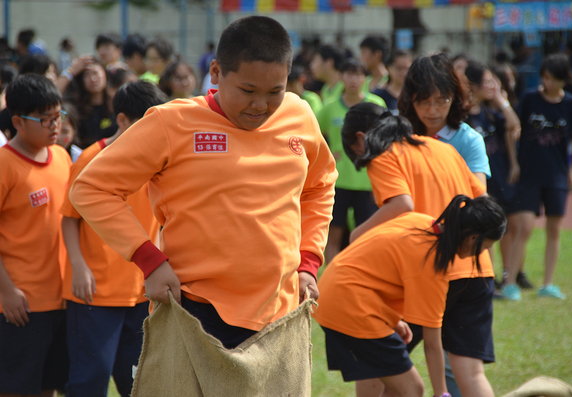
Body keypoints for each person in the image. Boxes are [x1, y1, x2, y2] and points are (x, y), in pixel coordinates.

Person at [69, 16, 337, 353]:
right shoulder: (171, 123)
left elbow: (321, 185)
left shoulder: (299, 115)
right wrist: (149, 260)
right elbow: (91, 187)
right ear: (215, 73)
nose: (260, 105)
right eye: (248, 91)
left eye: (275, 92)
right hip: (195, 309)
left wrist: (309, 262)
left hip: (281, 310)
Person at [343, 104, 497, 397]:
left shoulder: (384, 155)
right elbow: (483, 202)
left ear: (361, 138)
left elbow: (402, 204)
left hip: (422, 270)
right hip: (475, 268)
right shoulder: (445, 149)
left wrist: (357, 236)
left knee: (379, 360)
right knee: (472, 374)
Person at [314, 194, 506, 397]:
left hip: (333, 291)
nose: (481, 254)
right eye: (485, 247)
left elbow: (375, 269)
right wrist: (442, 393)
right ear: (472, 238)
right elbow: (432, 345)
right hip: (349, 305)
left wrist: (392, 320)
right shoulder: (433, 263)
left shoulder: (421, 222)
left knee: (398, 388)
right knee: (412, 389)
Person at [61, 81, 166, 397]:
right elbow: (69, 219)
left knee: (138, 379)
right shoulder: (91, 158)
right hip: (96, 291)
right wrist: (78, 267)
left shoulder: (158, 161)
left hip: (140, 290)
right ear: (122, 120)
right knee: (90, 378)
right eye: (145, 123)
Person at [0, 74, 71, 396]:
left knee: (51, 384)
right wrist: (7, 292)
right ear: (18, 121)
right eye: (45, 119)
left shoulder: (61, 157)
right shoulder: (5, 165)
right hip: (21, 302)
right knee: (17, 386)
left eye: (58, 116)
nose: (55, 125)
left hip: (62, 296)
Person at [502, 53, 572, 301]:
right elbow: (512, 129)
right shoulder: (530, 99)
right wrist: (514, 163)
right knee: (525, 227)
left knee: (554, 229)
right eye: (545, 78)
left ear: (564, 79)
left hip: (557, 175)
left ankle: (547, 284)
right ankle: (510, 283)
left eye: (554, 79)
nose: (548, 83)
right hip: (529, 174)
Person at [463, 61, 530, 290]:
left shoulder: (491, 114)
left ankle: (507, 277)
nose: (491, 86)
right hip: (480, 182)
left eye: (494, 81)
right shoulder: (462, 117)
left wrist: (502, 102)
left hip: (500, 176)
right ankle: (487, 280)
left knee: (510, 227)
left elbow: (513, 124)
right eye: (487, 82)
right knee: (484, 231)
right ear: (472, 85)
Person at [317, 58, 386, 263]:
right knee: (335, 234)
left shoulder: (376, 105)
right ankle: (331, 280)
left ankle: (361, 278)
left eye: (359, 75)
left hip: (367, 180)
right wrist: (327, 152)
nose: (354, 80)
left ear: (365, 78)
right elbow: (312, 134)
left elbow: (386, 138)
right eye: (349, 74)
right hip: (337, 180)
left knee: (364, 236)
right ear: (341, 77)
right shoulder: (330, 107)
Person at [399, 53, 491, 187]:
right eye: (424, 102)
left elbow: (479, 196)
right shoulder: (400, 138)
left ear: (454, 97)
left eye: (441, 101)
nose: (432, 111)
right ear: (410, 100)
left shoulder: (468, 140)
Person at [66, 58, 117, 149]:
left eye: (96, 73)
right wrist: (70, 72)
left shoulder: (116, 104)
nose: (93, 79)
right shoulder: (75, 109)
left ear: (105, 74)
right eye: (87, 75)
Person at [372, 49, 412, 113]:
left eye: (407, 68)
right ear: (388, 68)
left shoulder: (415, 95)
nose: (403, 72)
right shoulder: (378, 96)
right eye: (399, 68)